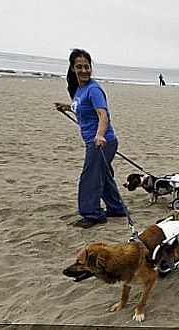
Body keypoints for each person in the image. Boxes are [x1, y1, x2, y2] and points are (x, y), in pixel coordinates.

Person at [54, 48, 127, 228]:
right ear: (72, 68)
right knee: (103, 174)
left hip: (102, 142)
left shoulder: (94, 89)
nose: (84, 70)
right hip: (95, 141)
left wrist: (100, 135)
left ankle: (92, 214)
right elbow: (82, 107)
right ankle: (117, 208)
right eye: (79, 67)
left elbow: (103, 115)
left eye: (87, 66)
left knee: (90, 177)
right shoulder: (80, 89)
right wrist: (67, 107)